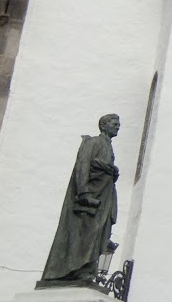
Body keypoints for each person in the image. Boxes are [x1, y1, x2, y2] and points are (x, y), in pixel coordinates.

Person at [40, 114, 121, 285]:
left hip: (104, 197)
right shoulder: (93, 143)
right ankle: (75, 270)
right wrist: (83, 193)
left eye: (118, 124)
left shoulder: (108, 146)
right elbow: (83, 165)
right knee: (86, 233)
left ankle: (87, 270)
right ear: (104, 125)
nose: (118, 126)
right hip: (91, 197)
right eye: (115, 124)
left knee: (99, 233)